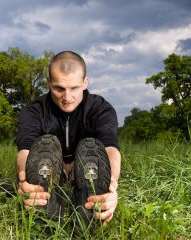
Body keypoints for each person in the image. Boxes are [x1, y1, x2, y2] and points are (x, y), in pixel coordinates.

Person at [15, 51, 121, 232]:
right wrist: (25, 181)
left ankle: (92, 202)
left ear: (85, 82)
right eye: (59, 88)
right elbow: (26, 149)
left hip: (85, 168)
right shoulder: (33, 111)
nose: (67, 97)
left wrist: (112, 185)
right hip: (51, 167)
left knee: (94, 150)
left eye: (74, 88)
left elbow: (110, 147)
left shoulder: (101, 108)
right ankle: (44, 200)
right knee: (42, 147)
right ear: (48, 82)